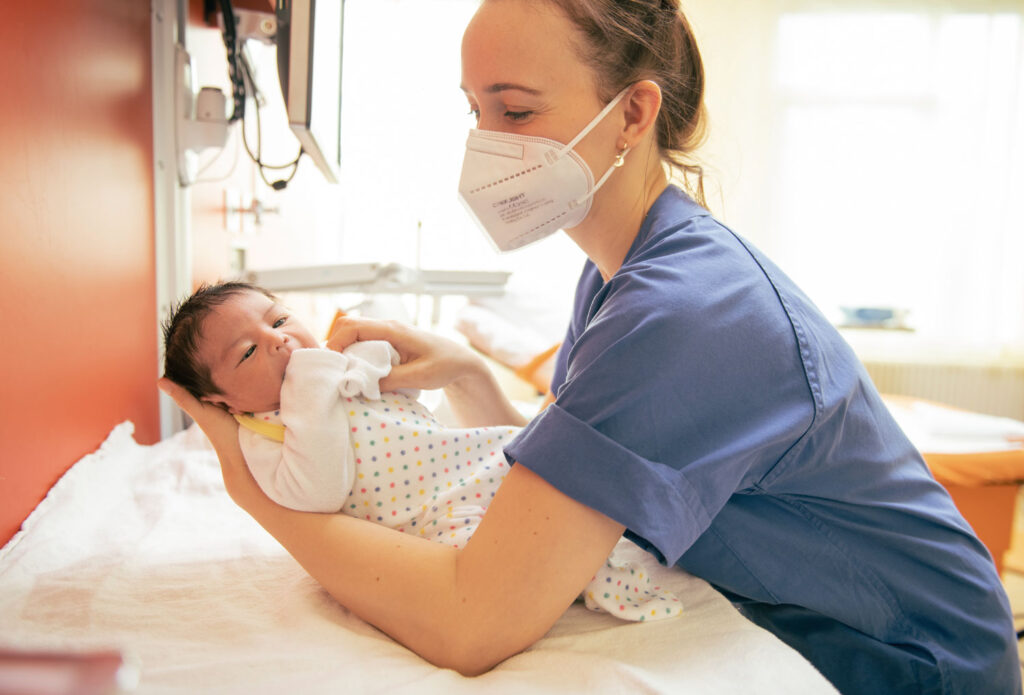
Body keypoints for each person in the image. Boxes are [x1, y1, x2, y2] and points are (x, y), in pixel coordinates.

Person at [159, 1, 1021, 691]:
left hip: (908, 657)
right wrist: (466, 372)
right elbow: (579, 479)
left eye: (517, 109)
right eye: (475, 110)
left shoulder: (680, 313)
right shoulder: (623, 267)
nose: (485, 146)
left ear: (632, 112)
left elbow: (471, 619)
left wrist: (257, 489)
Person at [161, 280, 682, 622]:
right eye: (248, 352)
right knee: (491, 562)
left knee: (564, 452)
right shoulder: (263, 437)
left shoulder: (333, 366)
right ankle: (587, 575)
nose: (278, 342)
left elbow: (399, 386)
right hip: (429, 517)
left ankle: (631, 508)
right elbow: (316, 492)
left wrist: (365, 356)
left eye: (278, 321)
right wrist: (309, 385)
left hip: (470, 460)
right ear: (217, 401)